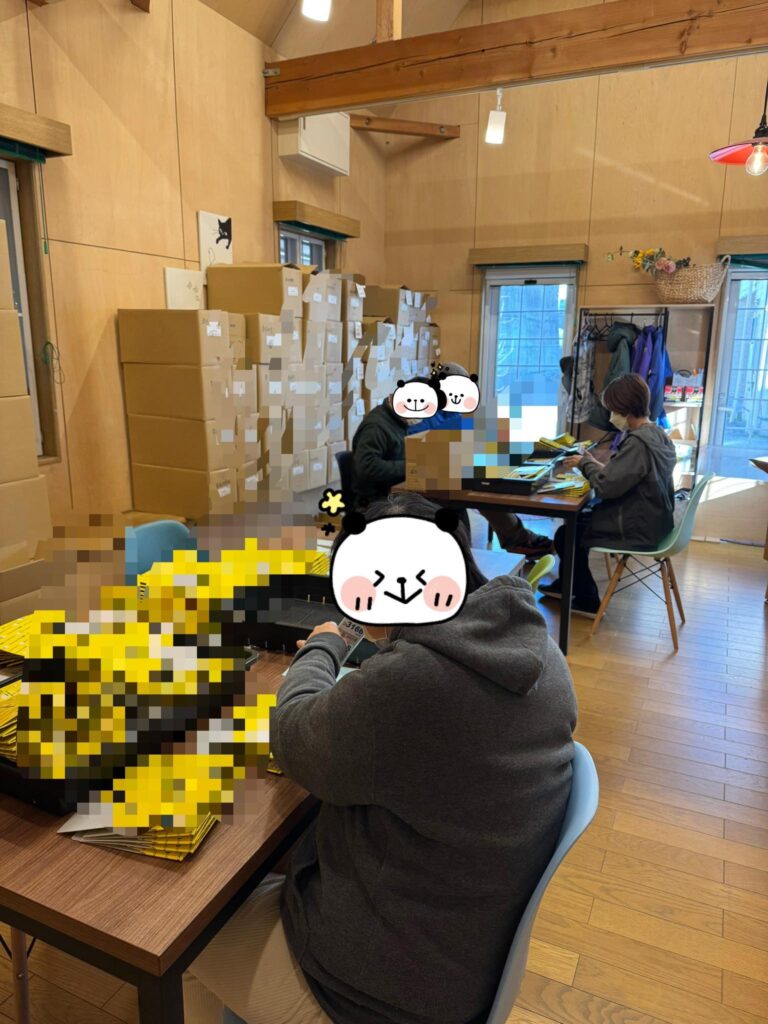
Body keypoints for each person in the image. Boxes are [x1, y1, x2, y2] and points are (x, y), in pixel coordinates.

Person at [184, 491, 577, 1024]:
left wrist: (323, 646)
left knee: (183, 937)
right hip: (461, 946)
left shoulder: (411, 686)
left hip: (379, 993)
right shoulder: (535, 647)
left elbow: (293, 736)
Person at [351, 362, 553, 557]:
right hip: (386, 495)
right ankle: (482, 549)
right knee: (460, 499)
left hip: (418, 481)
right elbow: (367, 468)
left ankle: (505, 542)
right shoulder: (377, 427)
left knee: (478, 486)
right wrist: (415, 466)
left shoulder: (415, 416)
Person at [541, 373, 676, 616]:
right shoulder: (656, 434)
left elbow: (605, 486)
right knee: (577, 525)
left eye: (613, 409)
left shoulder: (638, 443)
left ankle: (588, 599)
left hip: (637, 526)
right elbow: (626, 475)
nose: (611, 415)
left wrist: (584, 463)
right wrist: (594, 463)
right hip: (655, 519)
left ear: (625, 409)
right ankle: (567, 585)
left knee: (566, 534)